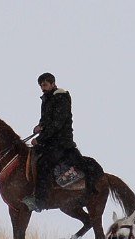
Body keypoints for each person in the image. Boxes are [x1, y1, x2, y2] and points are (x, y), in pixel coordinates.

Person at [22, 72, 89, 212]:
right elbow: (47, 121)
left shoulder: (61, 98)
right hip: (50, 141)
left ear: (53, 84)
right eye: (41, 85)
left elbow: (57, 124)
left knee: (43, 163)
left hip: (61, 142)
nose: (42, 87)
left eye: (45, 84)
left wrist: (39, 139)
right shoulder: (47, 99)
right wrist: (39, 126)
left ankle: (40, 201)